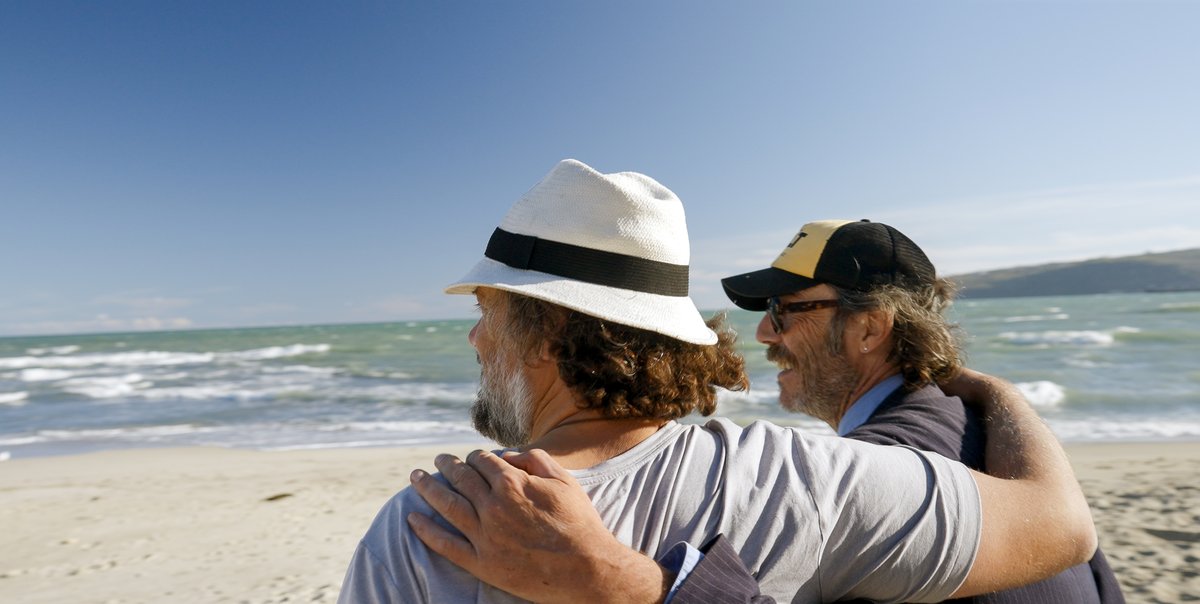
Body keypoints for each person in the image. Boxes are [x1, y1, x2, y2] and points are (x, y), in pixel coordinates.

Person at [339, 159, 1096, 603]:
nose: (474, 338)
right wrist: (999, 392)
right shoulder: (805, 478)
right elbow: (1061, 527)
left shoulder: (434, 525)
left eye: (486, 309)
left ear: (550, 329)